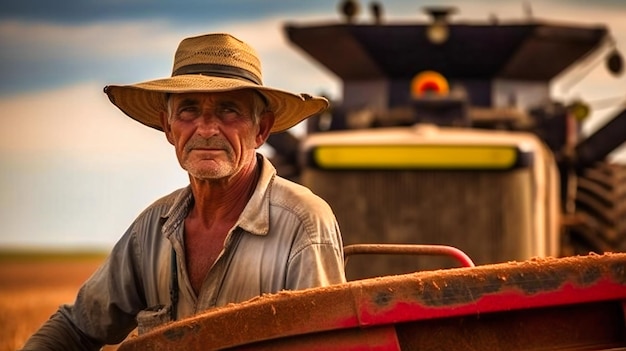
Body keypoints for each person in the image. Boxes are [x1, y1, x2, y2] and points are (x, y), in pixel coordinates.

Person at [21, 33, 346, 350]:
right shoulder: (151, 230)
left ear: (260, 130)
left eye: (228, 110)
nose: (206, 129)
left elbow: (328, 343)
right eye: (189, 109)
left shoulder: (303, 223)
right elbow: (77, 327)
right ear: (168, 127)